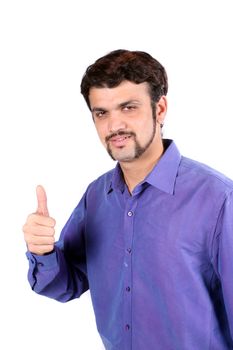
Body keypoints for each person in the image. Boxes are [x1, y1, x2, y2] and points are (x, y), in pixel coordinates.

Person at [23, 49, 233, 350]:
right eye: (101, 113)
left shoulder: (219, 200)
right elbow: (65, 285)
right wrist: (42, 251)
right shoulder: (96, 197)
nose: (114, 126)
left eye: (128, 107)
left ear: (159, 109)